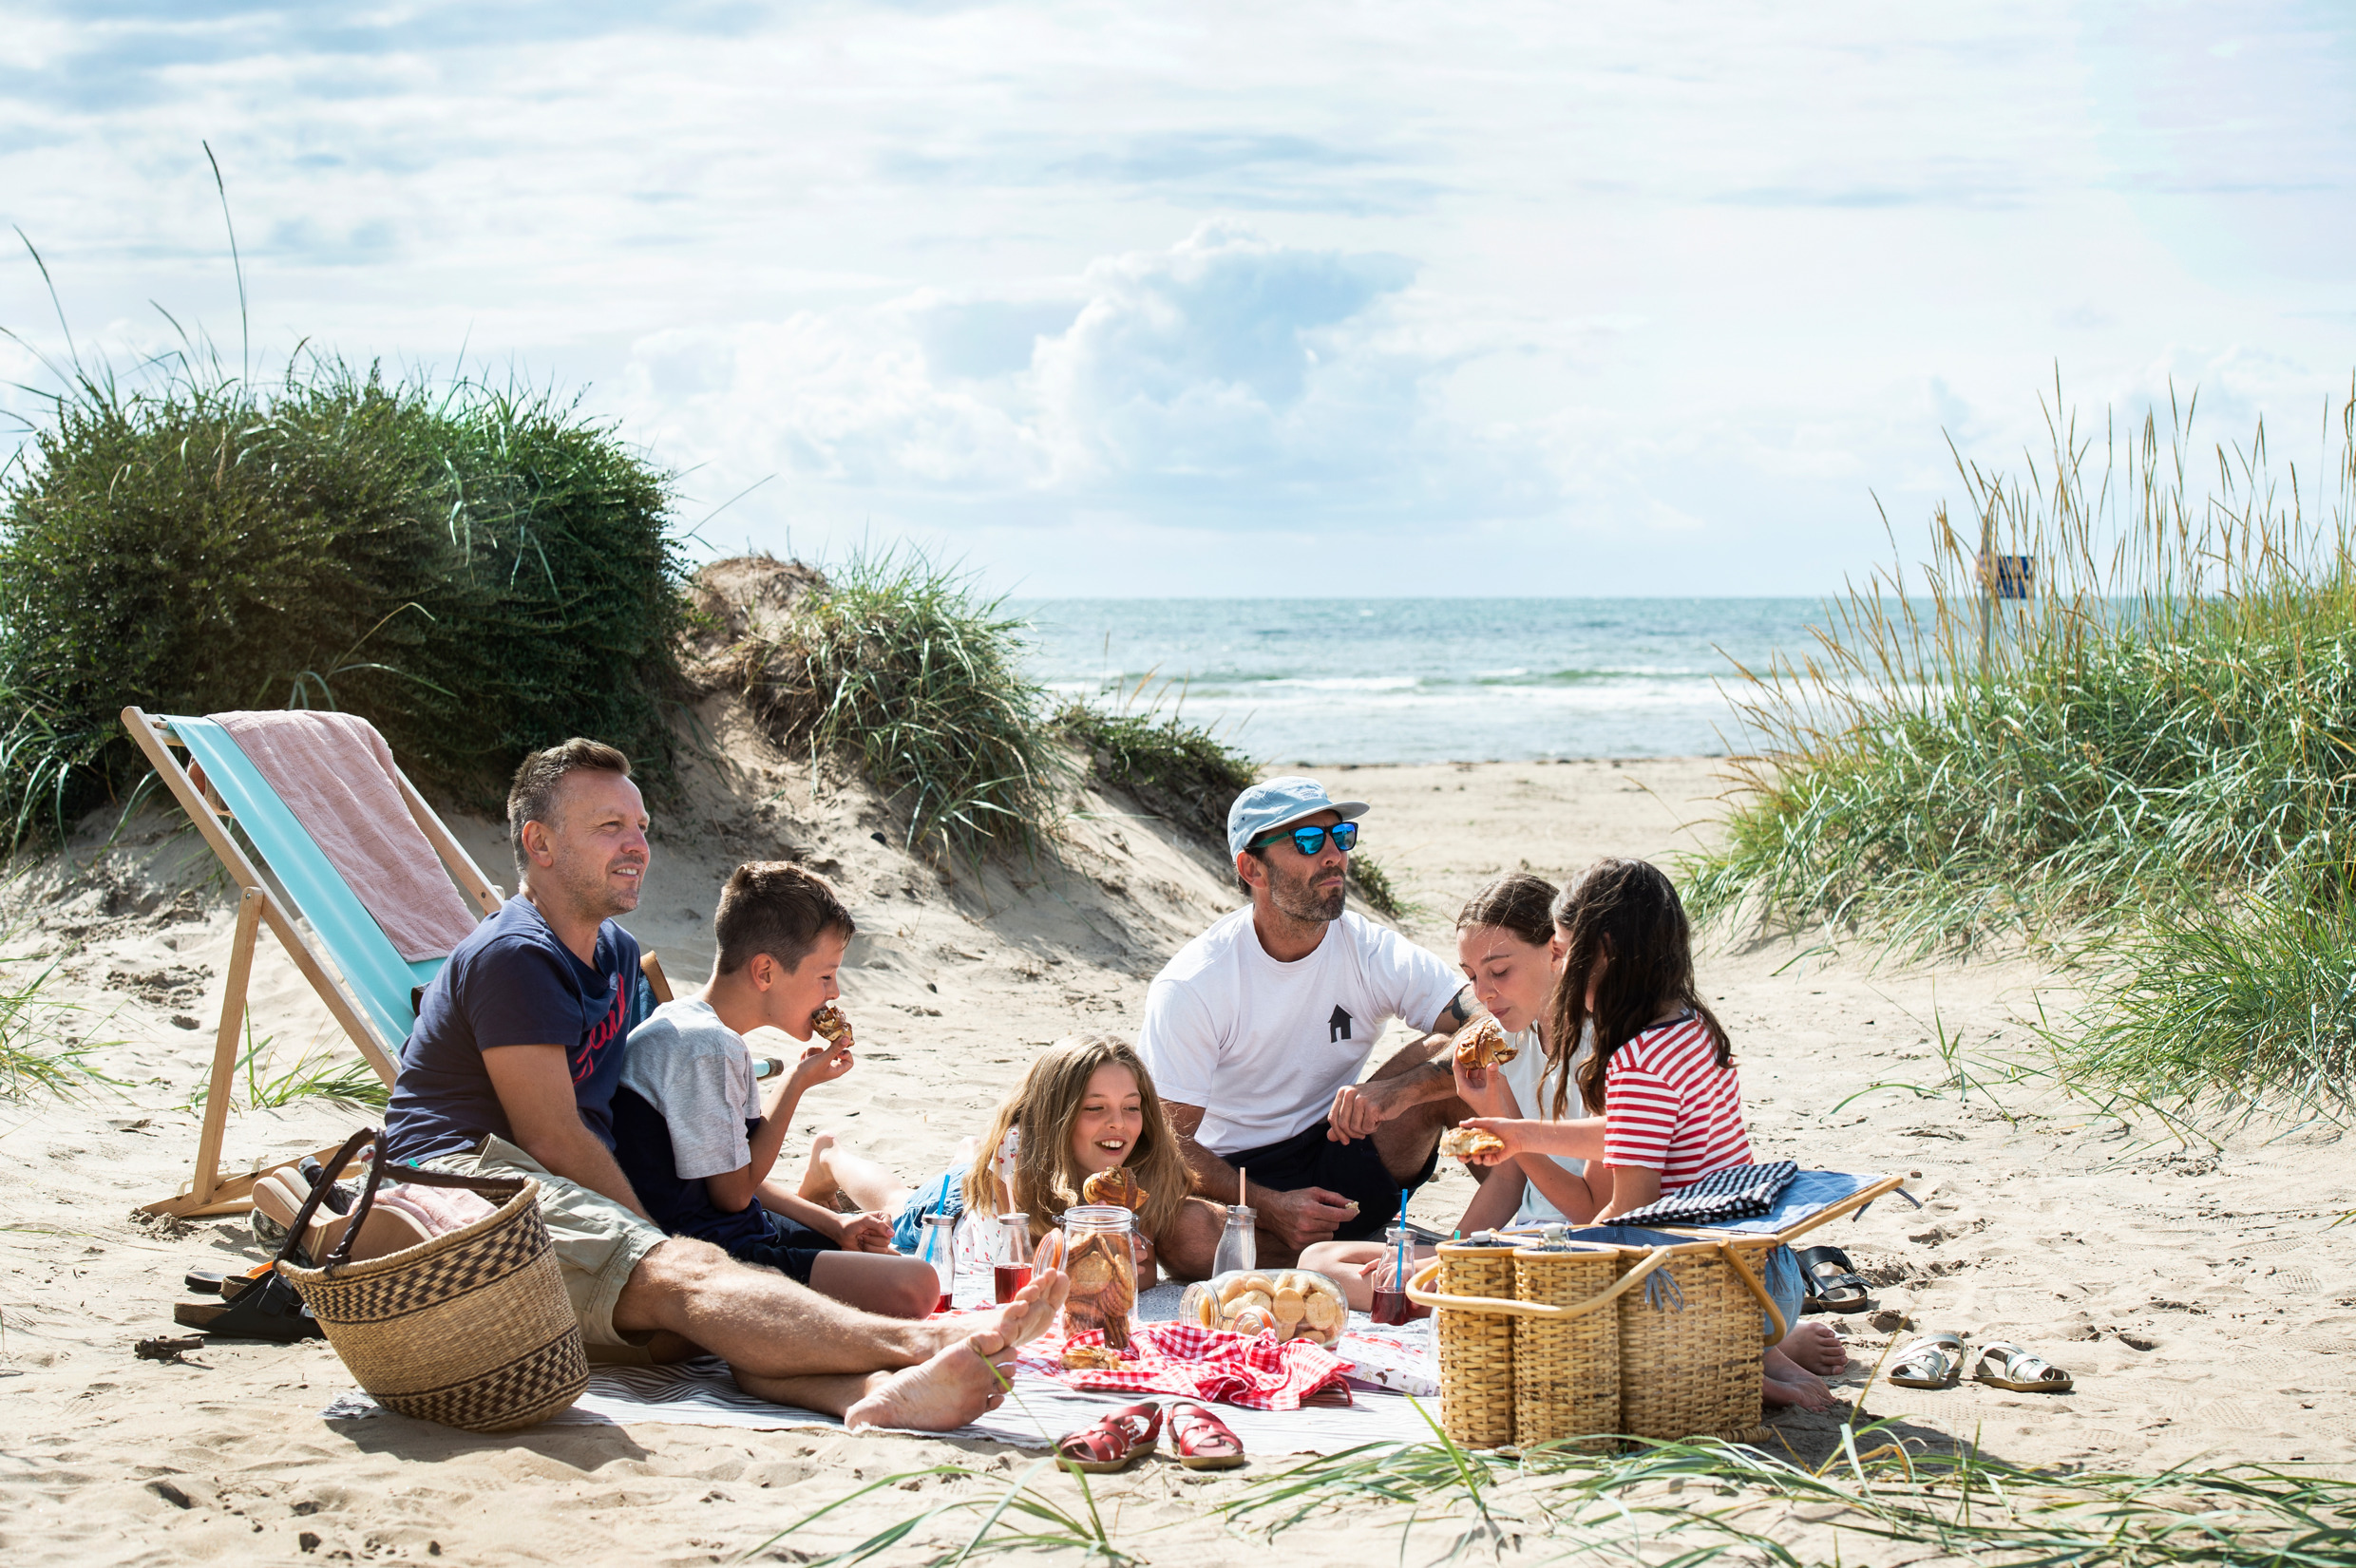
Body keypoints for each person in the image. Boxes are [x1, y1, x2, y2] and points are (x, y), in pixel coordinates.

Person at [382, 739, 1065, 1429]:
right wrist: (659, 1235)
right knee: (690, 1276)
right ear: (541, 842)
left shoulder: (615, 954)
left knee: (706, 1296)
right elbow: (553, 1134)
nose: (636, 844)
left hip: (547, 1181)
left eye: (641, 826)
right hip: (452, 1185)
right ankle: (933, 1342)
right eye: (608, 826)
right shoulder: (516, 956)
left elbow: (637, 1110)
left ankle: (861, 1391)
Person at [1457, 858, 1845, 1410]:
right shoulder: (1691, 1024)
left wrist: (1548, 1252)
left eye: (1565, 953)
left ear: (1606, 952)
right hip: (1766, 1270)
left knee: (1567, 1296)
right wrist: (1519, 1135)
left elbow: (1630, 1222)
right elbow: (1629, 1132)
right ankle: (1757, 1354)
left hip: (1716, 1296)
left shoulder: (1637, 1061)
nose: (1560, 971)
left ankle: (1730, 1373)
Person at [1134, 777, 1480, 1264]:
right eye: (1308, 841)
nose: (1334, 855)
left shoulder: (1367, 948)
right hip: (1237, 1178)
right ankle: (1338, 1251)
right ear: (1252, 868)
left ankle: (1537, 1218)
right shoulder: (1196, 983)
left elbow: (1486, 1010)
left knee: (1459, 1058)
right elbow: (1168, 1142)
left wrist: (1408, 1089)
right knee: (1183, 1234)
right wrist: (1271, 1206)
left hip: (1341, 1146)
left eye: (1341, 837)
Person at [608, 860, 939, 1317]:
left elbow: (733, 1174)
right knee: (917, 1284)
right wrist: (795, 1084)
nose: (835, 992)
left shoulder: (692, 1027)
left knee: (872, 1253)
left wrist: (836, 1222)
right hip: (716, 1257)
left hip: (736, 1229)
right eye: (825, 976)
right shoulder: (707, 1048)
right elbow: (733, 1195)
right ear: (765, 971)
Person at [1301, 872, 1606, 1309]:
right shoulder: (1511, 1039)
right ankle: (1454, 1289)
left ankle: (1455, 1294)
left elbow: (1595, 1213)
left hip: (1574, 1251)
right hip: (1523, 1239)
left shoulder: (1606, 1048)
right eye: (1471, 976)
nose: (1484, 994)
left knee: (1377, 1279)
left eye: (1499, 971)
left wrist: (1449, 1264)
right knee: (1321, 1261)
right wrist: (1455, 1253)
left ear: (1556, 951)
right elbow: (1508, 1180)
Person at [803, 1035, 1226, 1285]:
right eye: (1095, 1108)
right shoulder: (1020, 1160)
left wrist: (1137, 1261)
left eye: (1131, 1107)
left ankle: (971, 1156)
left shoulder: (1143, 1165)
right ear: (1056, 1113)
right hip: (962, 1217)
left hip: (1000, 1174)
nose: (1119, 1124)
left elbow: (1144, 1272)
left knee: (974, 1163)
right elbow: (1012, 1261)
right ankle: (829, 1156)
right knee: (900, 1204)